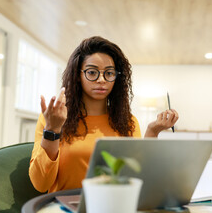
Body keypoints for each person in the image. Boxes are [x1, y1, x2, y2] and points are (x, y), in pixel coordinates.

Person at [29, 36, 178, 193]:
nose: (101, 80)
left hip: (114, 204)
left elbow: (138, 176)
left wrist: (152, 131)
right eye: (92, 72)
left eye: (109, 73)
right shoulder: (53, 118)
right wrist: (52, 129)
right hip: (64, 209)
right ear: (77, 76)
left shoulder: (127, 122)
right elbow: (40, 184)